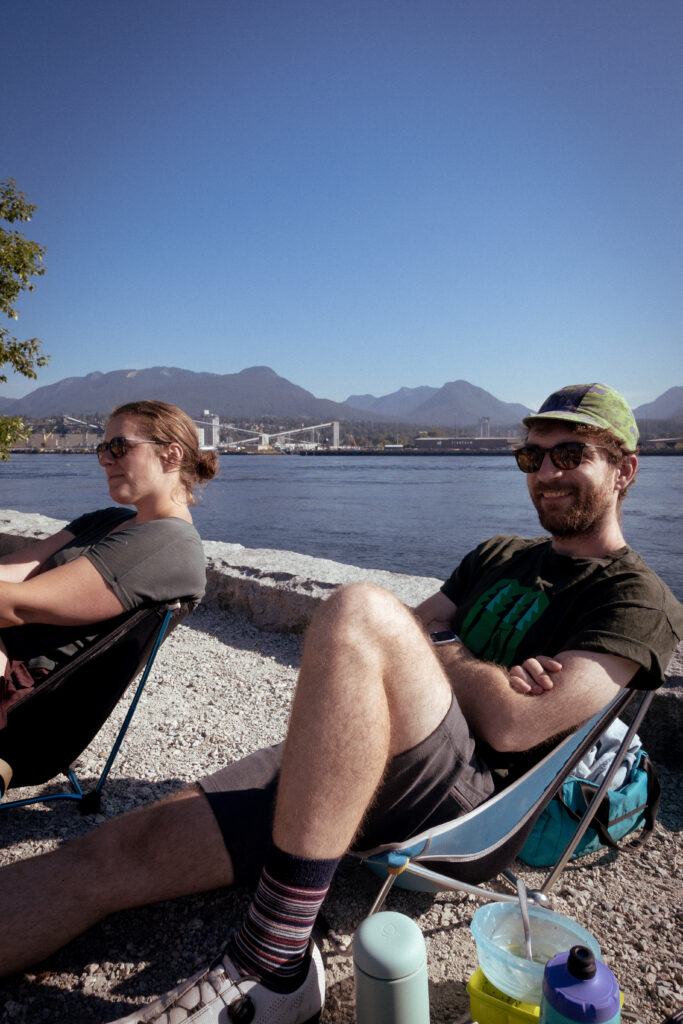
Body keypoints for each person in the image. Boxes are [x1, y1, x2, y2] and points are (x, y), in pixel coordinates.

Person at [1, 384, 681, 1024]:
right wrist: (467, 661)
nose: (545, 472)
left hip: (467, 804)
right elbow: (411, 640)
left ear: (625, 469)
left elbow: (510, 724)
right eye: (531, 455)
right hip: (363, 753)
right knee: (108, 854)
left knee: (357, 608)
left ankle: (273, 961)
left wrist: (437, 646)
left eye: (570, 455)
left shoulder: (634, 597)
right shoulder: (497, 553)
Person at [0, 399, 218, 795]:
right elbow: (14, 572)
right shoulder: (106, 521)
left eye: (119, 447)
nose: (104, 460)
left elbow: (16, 605)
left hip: (25, 707)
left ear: (171, 455)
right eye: (102, 449)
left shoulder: (168, 544)